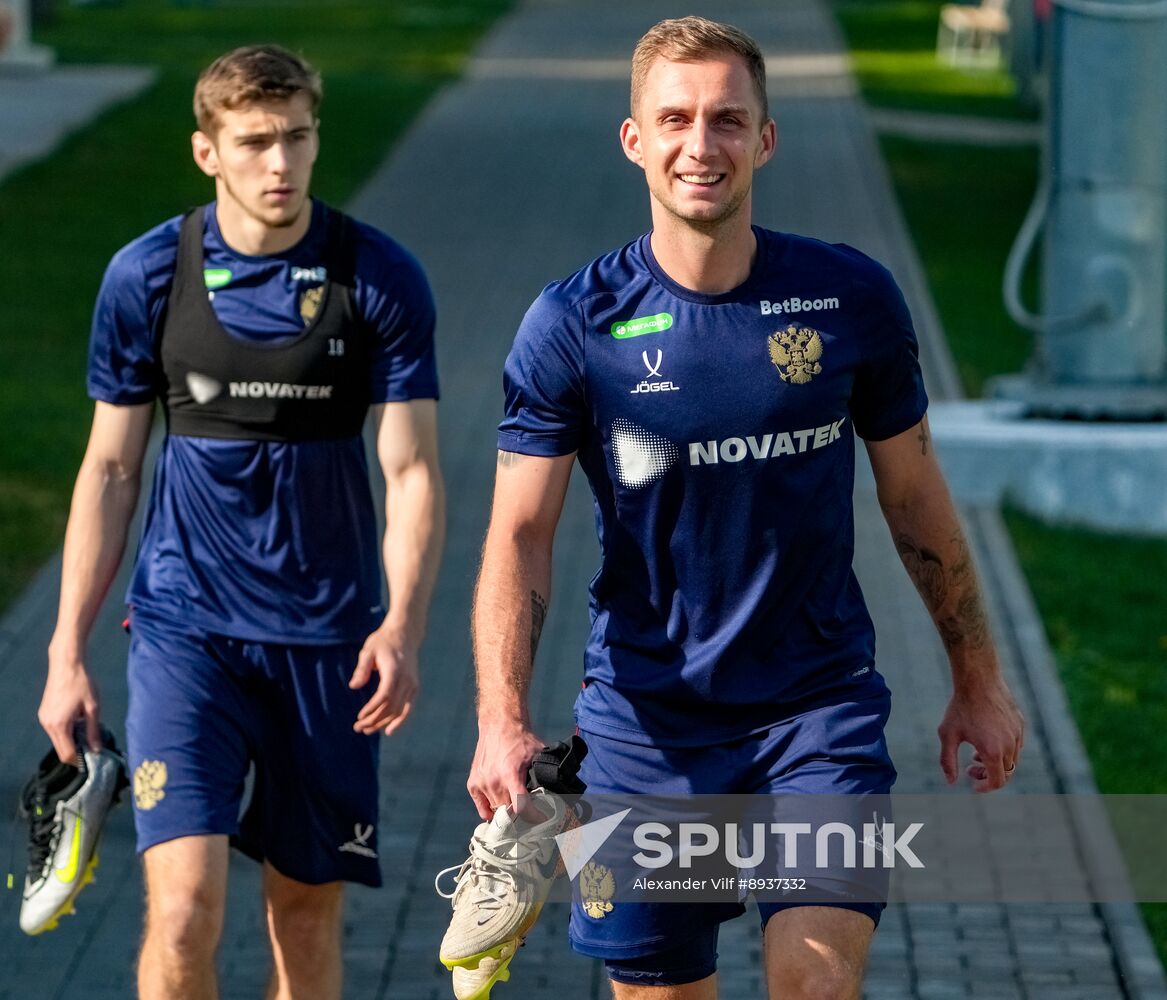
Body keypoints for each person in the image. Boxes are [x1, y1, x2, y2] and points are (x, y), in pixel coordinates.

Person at [467, 16, 1023, 999]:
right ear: (633, 139)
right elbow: (519, 533)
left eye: (728, 120)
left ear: (766, 137)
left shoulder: (850, 300)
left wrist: (978, 676)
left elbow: (915, 497)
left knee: (813, 981)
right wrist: (500, 717)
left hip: (820, 709)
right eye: (674, 119)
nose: (700, 145)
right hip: (643, 723)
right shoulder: (571, 325)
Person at [35, 44, 444, 1000]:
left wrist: (405, 625)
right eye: (255, 141)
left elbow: (415, 467)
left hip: (329, 644)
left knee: (303, 914)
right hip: (188, 634)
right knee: (182, 911)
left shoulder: (376, 276)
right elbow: (110, 468)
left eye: (297, 137)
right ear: (205, 151)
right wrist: (63, 651)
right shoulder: (148, 276)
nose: (280, 163)